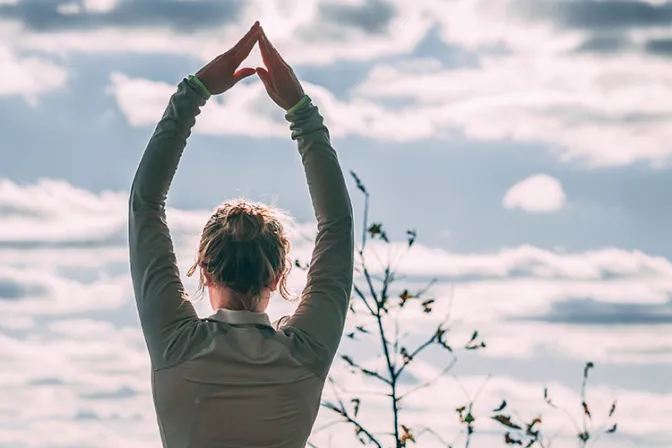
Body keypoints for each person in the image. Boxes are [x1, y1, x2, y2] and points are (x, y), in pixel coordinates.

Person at [128, 21, 354, 448]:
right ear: (277, 276)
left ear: (205, 272)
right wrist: (301, 111)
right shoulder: (304, 352)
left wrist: (193, 92)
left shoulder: (176, 344)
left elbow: (144, 205)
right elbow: (337, 225)